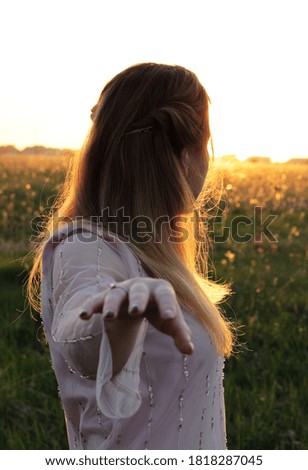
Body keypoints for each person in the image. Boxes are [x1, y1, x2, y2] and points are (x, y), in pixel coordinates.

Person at [27, 63, 234, 450]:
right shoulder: (85, 246)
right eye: (207, 143)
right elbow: (81, 336)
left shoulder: (150, 250)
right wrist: (115, 316)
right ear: (184, 156)